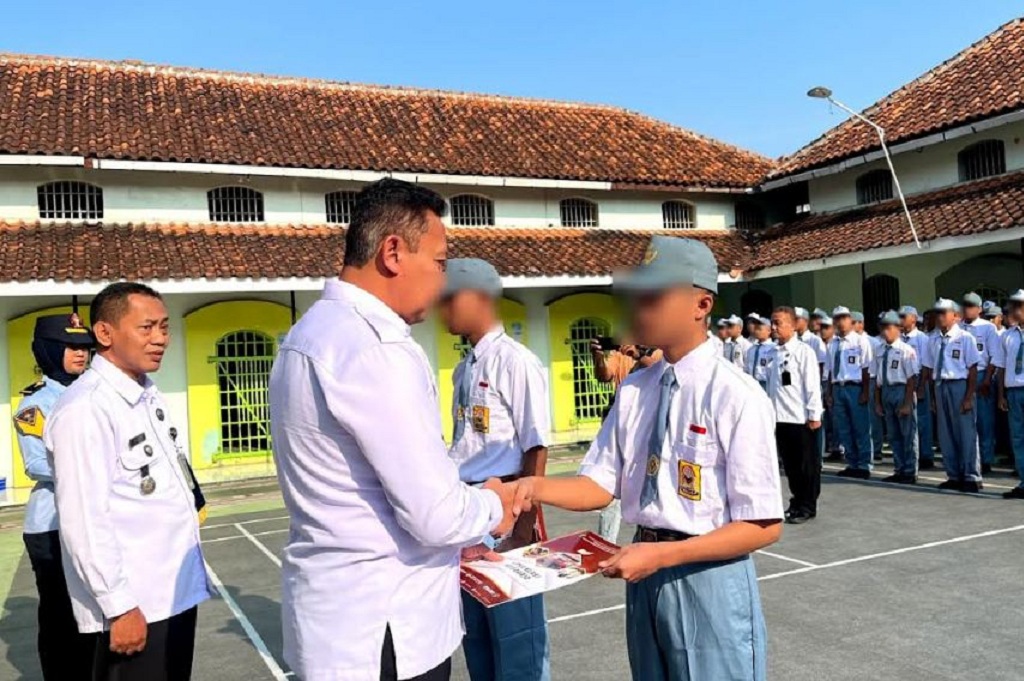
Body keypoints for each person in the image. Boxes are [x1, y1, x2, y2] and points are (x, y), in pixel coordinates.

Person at [268, 179, 517, 681]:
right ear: (394, 252)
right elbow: (435, 515)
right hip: (386, 627)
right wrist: (496, 504)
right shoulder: (376, 348)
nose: (443, 282)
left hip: (339, 617)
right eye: (440, 262)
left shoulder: (309, 333)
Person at [510, 235, 783, 681]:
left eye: (654, 296)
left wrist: (663, 558)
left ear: (701, 305)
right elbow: (600, 484)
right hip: (644, 570)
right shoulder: (636, 390)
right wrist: (532, 487)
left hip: (707, 574)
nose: (639, 308)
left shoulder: (735, 394)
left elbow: (763, 524)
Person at [45, 283, 210, 681]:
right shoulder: (86, 409)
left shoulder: (145, 395)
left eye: (164, 327)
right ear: (105, 334)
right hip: (136, 605)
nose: (160, 339)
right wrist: (118, 606)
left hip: (171, 593)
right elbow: (84, 520)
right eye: (146, 327)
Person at [439, 258, 551, 681]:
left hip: (509, 509)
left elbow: (535, 443)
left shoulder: (515, 361)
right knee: (477, 636)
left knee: (518, 640)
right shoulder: (464, 369)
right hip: (469, 511)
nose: (442, 307)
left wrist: (523, 526)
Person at [14, 313, 95, 680]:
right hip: (52, 526)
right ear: (48, 350)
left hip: (95, 520)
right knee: (61, 617)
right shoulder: (36, 404)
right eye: (71, 346)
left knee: (97, 612)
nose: (81, 354)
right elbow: (36, 464)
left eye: (84, 347)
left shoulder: (96, 392)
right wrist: (95, 468)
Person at [590, 338, 662, 543]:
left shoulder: (658, 350)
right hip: (624, 419)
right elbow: (603, 375)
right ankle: (606, 541)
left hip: (649, 422)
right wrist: (597, 356)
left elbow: (659, 365)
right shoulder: (619, 354)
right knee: (610, 482)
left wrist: (640, 353)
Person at [920, 298, 983, 493]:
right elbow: (928, 370)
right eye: (937, 313)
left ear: (955, 316)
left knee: (966, 432)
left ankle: (971, 476)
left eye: (943, 313)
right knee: (946, 433)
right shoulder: (933, 339)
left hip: (959, 385)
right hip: (940, 386)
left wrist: (968, 396)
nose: (939, 317)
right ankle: (954, 474)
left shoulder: (965, 338)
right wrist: (931, 396)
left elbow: (972, 369)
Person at [767, 307, 822, 524]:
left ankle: (808, 505)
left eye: (778, 323)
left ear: (791, 324)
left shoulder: (803, 351)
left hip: (800, 418)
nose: (773, 327)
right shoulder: (773, 352)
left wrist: (814, 414)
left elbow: (811, 385)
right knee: (790, 465)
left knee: (806, 465)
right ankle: (797, 500)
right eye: (772, 323)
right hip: (780, 417)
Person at [825, 306, 874, 479]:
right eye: (837, 319)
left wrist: (865, 392)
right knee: (844, 428)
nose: (841, 322)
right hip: (839, 387)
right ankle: (852, 462)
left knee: (860, 427)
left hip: (855, 386)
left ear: (850, 320)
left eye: (844, 318)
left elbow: (867, 368)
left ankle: (864, 464)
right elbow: (830, 370)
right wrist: (829, 393)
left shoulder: (860, 341)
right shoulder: (832, 344)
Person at [874, 311, 920, 484]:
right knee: (893, 435)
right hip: (886, 390)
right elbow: (877, 378)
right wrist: (878, 402)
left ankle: (910, 470)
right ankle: (899, 468)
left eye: (889, 328)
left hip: (902, 391)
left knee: (908, 433)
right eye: (883, 328)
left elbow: (911, 379)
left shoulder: (906, 350)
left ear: (898, 329)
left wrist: (908, 403)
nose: (885, 331)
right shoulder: (879, 350)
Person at [960, 292, 1003, 475]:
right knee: (967, 422)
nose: (967, 309)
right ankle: (969, 460)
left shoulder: (987, 328)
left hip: (982, 375)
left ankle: (985, 460)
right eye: (965, 305)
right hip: (963, 377)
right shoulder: (959, 327)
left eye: (971, 306)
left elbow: (994, 356)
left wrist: (987, 379)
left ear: (978, 309)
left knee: (985, 421)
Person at [899, 306, 935, 470]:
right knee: (906, 421)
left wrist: (921, 386)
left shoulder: (922, 338)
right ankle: (910, 454)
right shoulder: (898, 338)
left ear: (913, 319)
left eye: (903, 317)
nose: (900, 320)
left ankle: (926, 455)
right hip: (902, 380)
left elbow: (927, 364)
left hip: (919, 378)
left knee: (922, 420)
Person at [997, 290, 1024, 499]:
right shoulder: (1007, 335)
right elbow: (1002, 367)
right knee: (1018, 438)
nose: (1014, 310)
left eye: (1018, 306)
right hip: (1014, 391)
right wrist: (1001, 395)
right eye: (1013, 306)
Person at [818, 314, 843, 460]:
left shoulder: (836, 343)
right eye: (821, 327)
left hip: (835, 383)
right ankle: (833, 445)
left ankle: (839, 447)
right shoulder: (829, 345)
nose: (823, 330)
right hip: (828, 382)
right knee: (828, 418)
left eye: (826, 327)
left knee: (837, 417)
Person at [745, 314, 774, 390]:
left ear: (769, 331)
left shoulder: (773, 348)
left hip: (766, 384)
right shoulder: (751, 349)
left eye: (759, 329)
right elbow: (747, 368)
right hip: (751, 384)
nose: (756, 331)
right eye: (756, 329)